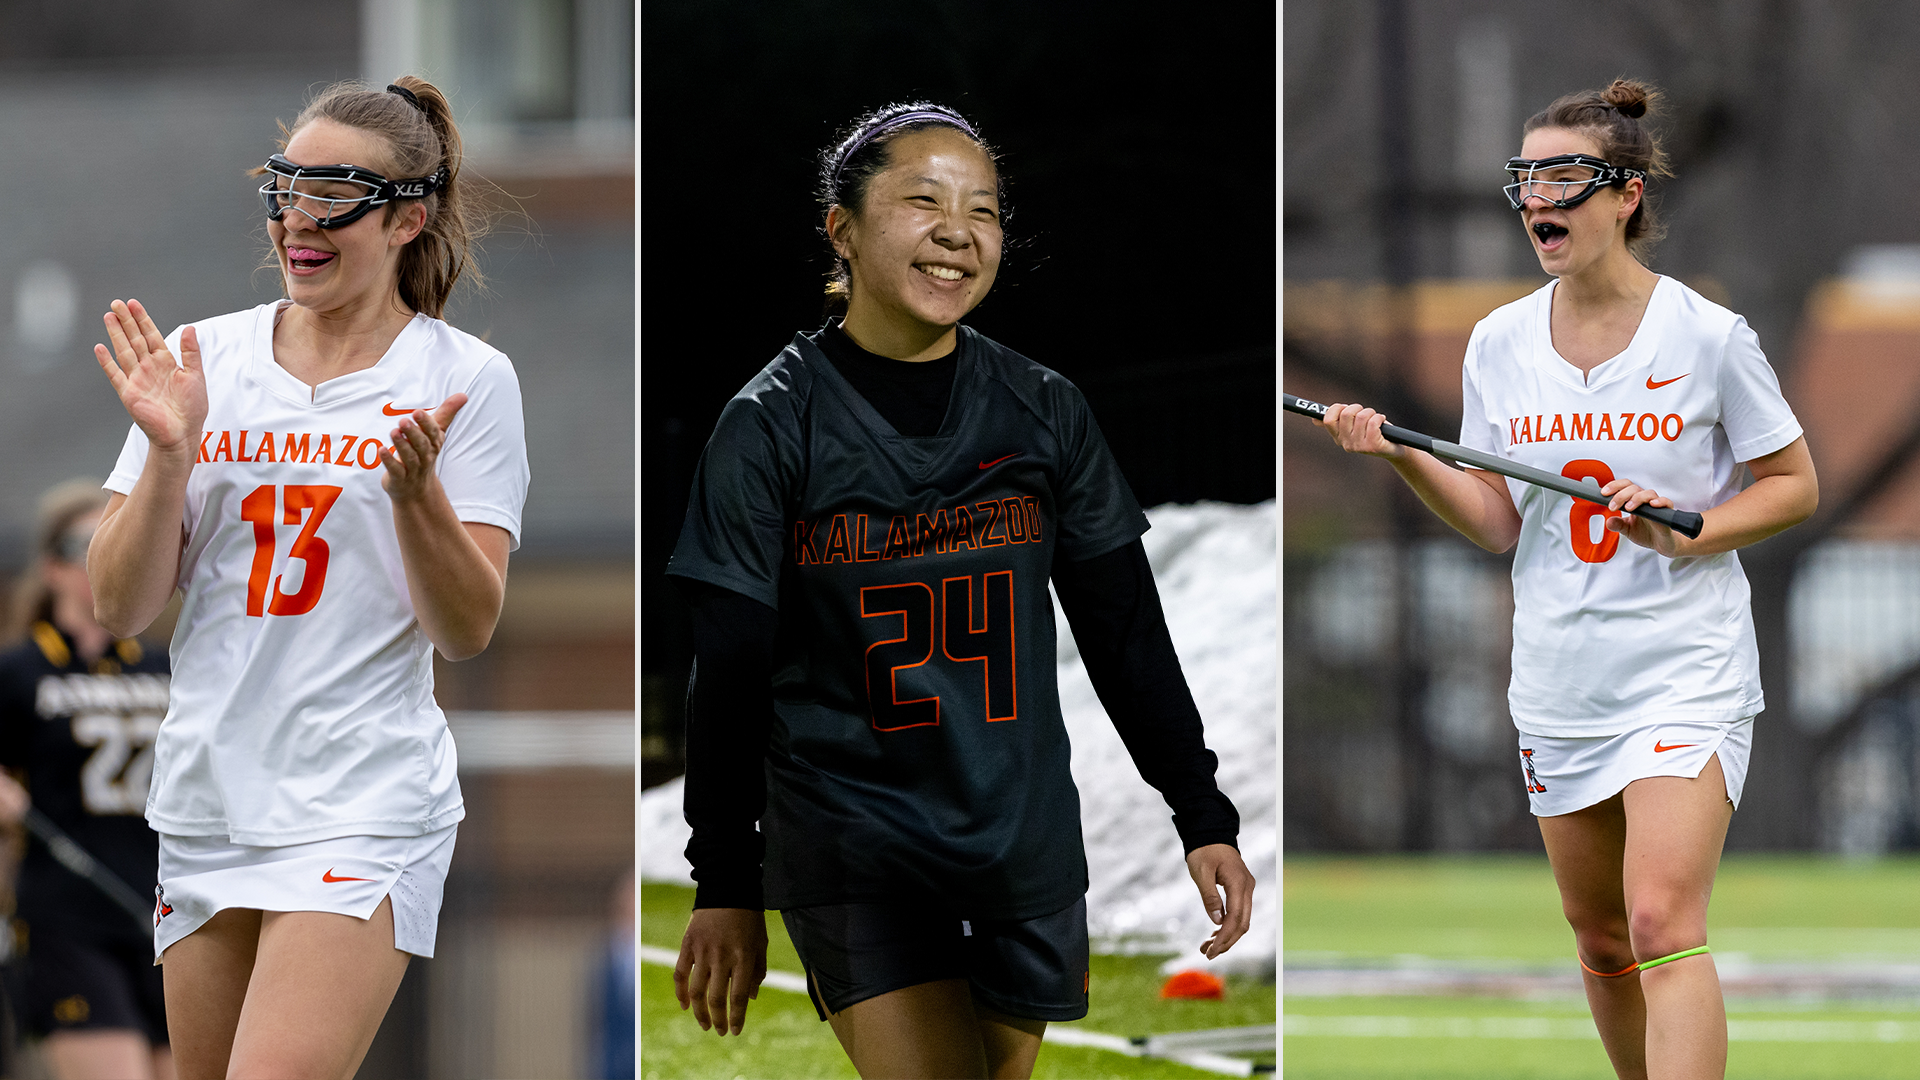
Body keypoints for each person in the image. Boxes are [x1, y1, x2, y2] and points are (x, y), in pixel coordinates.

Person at [667, 101, 1255, 1080]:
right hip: (858, 842)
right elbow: (727, 672)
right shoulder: (769, 427)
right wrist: (724, 882)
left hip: (1018, 845)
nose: (958, 232)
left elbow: (1125, 633)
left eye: (982, 210)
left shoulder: (1045, 409)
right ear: (842, 229)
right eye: (923, 202)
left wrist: (1201, 813)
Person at [1317, 79, 1817, 1080]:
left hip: (1685, 668)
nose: (1537, 197)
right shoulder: (1499, 342)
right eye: (1524, 178)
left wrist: (1698, 534)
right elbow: (1500, 522)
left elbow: (1795, 486)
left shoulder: (1708, 337)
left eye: (1562, 176)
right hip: (1560, 679)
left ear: (1624, 194)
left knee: (1661, 919)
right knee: (1600, 941)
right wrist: (1406, 458)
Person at [87, 76, 528, 1078]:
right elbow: (118, 606)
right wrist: (167, 457)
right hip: (208, 796)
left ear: (409, 218)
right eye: (289, 191)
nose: (301, 220)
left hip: (359, 799)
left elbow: (466, 629)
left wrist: (416, 497)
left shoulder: (462, 379)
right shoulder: (204, 359)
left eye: (335, 196)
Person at [0, 481, 173, 1080]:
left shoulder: (165, 666)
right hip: (68, 917)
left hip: (166, 912)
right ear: (51, 569)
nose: (102, 554)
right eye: (84, 544)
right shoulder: (19, 671)